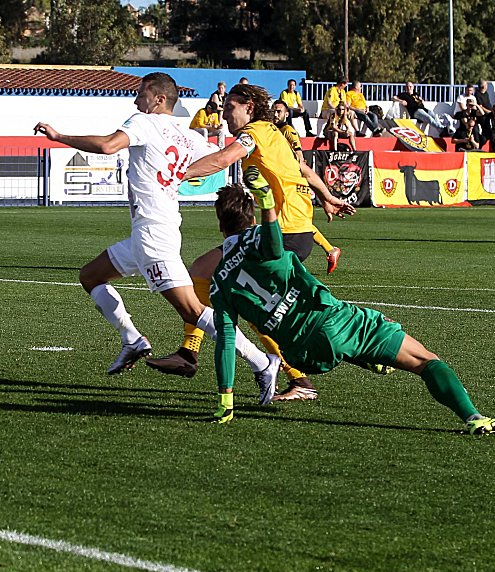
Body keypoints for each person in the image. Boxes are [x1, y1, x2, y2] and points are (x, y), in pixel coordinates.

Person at [32, 72, 279, 400]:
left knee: (193, 312)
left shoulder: (144, 122)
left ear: (158, 99)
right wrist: (181, 176)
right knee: (91, 276)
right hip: (149, 233)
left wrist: (59, 136)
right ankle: (132, 339)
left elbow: (108, 146)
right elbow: (217, 161)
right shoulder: (185, 134)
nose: (136, 101)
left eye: (141, 94)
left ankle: (263, 362)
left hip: (153, 237)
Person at [207, 167, 495, 436]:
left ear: (220, 224)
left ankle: (368, 358)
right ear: (252, 216)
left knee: (341, 341)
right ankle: (473, 418)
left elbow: (226, 338)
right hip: (331, 321)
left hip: (300, 355)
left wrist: (226, 398)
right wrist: (268, 203)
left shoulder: (219, 281)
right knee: (425, 361)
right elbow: (272, 247)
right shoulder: (258, 237)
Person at [145, 84, 355, 402]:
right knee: (203, 270)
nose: (225, 113)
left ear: (249, 108)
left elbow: (224, 158)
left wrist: (174, 176)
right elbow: (304, 170)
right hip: (289, 231)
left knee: (255, 306)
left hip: (281, 234)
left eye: (230, 107)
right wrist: (329, 198)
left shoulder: (254, 132)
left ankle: (298, 378)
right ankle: (189, 353)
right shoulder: (274, 134)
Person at [272, 99, 343, 274]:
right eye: (273, 111)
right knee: (295, 220)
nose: (275, 114)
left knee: (294, 220)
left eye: (279, 111)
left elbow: (299, 156)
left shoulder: (287, 131)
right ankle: (330, 250)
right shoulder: (273, 131)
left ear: (287, 114)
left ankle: (288, 261)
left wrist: (296, 176)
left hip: (293, 180)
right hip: (284, 179)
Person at [474, 79, 493, 146]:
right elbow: (480, 106)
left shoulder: (486, 93)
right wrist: (489, 111)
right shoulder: (478, 94)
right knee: (488, 133)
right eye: (486, 84)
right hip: (484, 116)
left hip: (490, 114)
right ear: (483, 86)